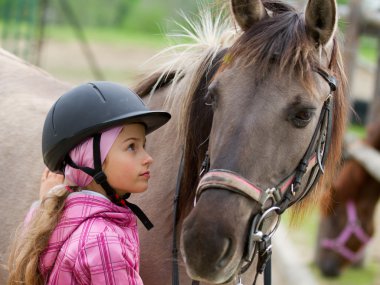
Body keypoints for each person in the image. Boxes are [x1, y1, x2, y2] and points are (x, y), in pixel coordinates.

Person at [7, 81, 171, 285]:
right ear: (90, 159)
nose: (148, 158)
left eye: (143, 146)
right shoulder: (103, 242)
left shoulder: (52, 221)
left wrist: (43, 202)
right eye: (131, 147)